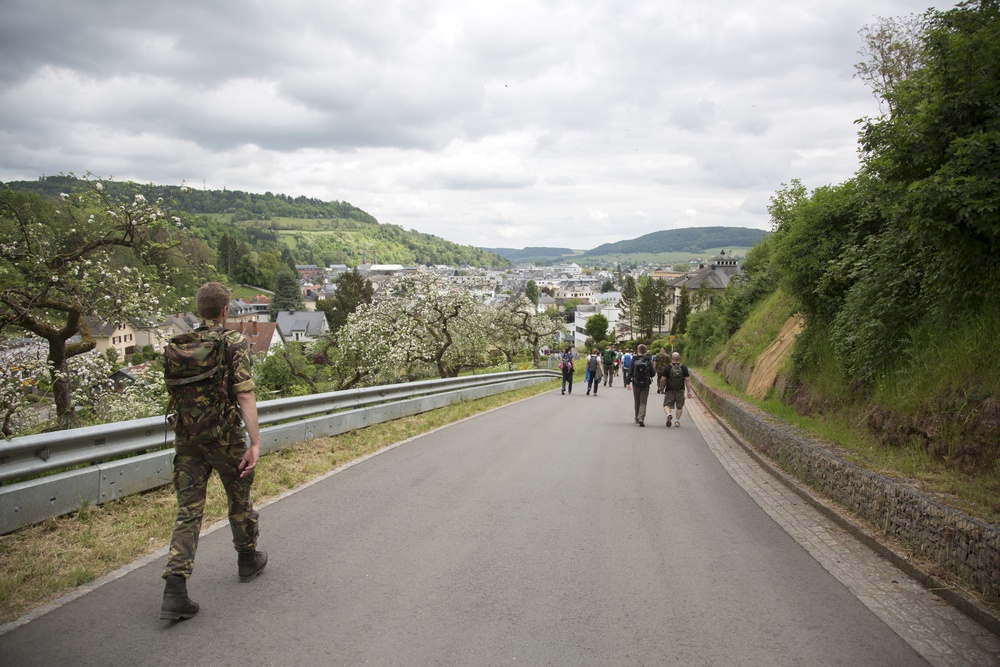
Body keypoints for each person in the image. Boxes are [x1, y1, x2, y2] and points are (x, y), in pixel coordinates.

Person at [160, 282, 268, 621]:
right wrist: (255, 442)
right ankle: (247, 561)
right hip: (225, 438)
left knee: (188, 511)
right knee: (238, 499)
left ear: (197, 310)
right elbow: (245, 395)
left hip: (188, 439)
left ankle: (175, 586)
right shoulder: (233, 341)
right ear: (225, 310)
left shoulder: (177, 346)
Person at [624, 344, 654, 426]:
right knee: (643, 402)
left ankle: (637, 417)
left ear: (638, 350)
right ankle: (641, 418)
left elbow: (630, 372)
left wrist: (627, 383)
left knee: (637, 401)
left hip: (636, 383)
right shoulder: (647, 360)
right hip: (645, 383)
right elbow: (653, 373)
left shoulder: (634, 359)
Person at [663, 351, 694, 428]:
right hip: (680, 390)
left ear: (672, 358)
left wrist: (661, 387)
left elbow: (663, 379)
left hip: (669, 389)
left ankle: (668, 414)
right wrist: (689, 391)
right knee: (679, 406)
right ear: (679, 358)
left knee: (667, 405)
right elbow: (687, 380)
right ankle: (677, 421)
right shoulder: (683, 367)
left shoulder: (668, 367)